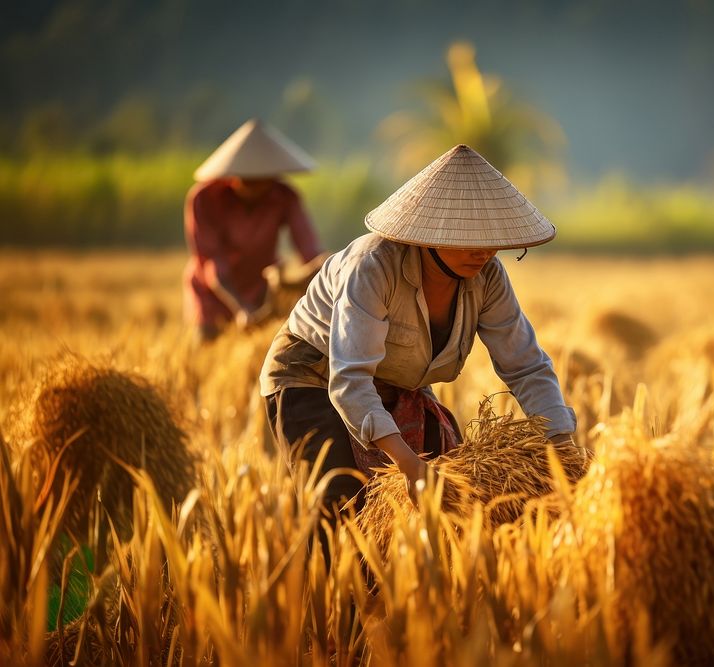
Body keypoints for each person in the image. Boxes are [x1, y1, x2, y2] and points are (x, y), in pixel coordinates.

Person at [259, 144, 576, 517]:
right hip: (312, 374)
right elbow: (351, 379)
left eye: (490, 238)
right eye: (469, 237)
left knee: (452, 498)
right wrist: (410, 467)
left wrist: (561, 447)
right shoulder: (373, 266)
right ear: (430, 232)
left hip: (397, 380)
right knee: (342, 504)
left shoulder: (488, 277)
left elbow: (526, 366)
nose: (484, 251)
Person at [184, 119, 324, 342]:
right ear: (233, 175)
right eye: (248, 179)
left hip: (261, 290)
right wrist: (240, 307)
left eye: (262, 180)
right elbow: (212, 262)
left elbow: (309, 248)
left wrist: (321, 268)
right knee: (206, 346)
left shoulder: (285, 196)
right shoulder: (204, 199)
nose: (254, 186)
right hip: (213, 293)